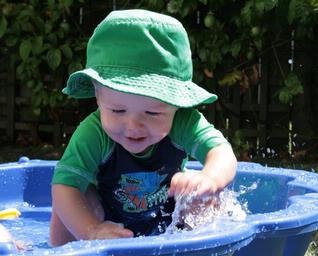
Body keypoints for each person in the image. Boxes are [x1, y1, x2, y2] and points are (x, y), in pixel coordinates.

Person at [50, 9, 237, 246]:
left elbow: (221, 152)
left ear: (177, 104)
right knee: (69, 193)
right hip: (105, 217)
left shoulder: (183, 121)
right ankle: (61, 252)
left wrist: (209, 178)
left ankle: (195, 247)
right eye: (117, 111)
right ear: (98, 96)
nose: (133, 126)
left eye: (152, 113)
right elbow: (64, 186)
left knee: (201, 193)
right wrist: (91, 230)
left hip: (166, 214)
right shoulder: (93, 133)